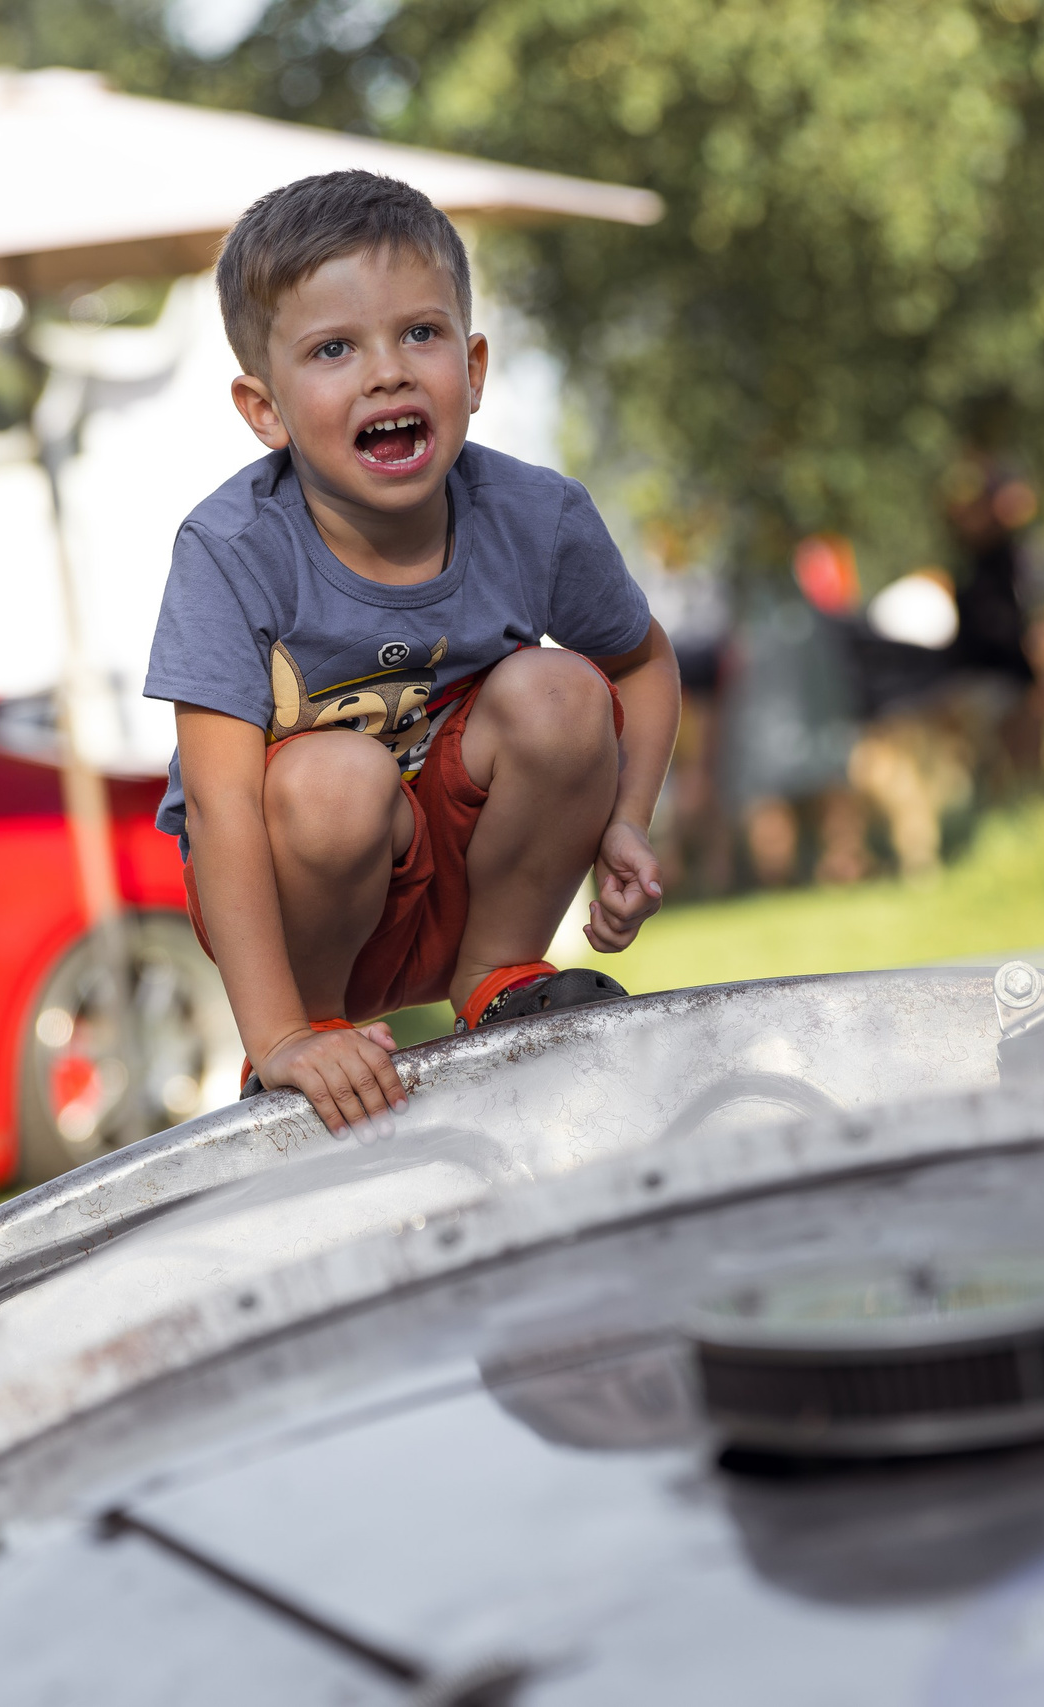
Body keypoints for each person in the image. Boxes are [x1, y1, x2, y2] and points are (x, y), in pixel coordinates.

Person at [145, 171, 681, 1131]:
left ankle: (499, 978)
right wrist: (274, 1035)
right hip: (309, 903)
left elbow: (642, 664)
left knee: (565, 687)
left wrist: (628, 818)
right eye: (334, 348)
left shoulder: (537, 516)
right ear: (263, 410)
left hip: (473, 878)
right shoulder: (230, 552)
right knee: (336, 779)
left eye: (420, 334)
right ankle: (313, 1037)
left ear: (474, 368)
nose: (386, 371)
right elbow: (221, 810)